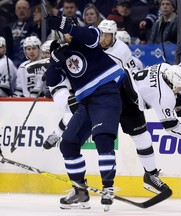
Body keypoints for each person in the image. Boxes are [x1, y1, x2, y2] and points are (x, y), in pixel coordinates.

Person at [45, 13, 126, 210]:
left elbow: (90, 36)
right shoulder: (65, 53)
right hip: (86, 103)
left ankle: (108, 187)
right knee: (68, 144)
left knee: (103, 140)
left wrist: (65, 25)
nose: (67, 35)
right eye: (64, 33)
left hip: (107, 94)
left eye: (69, 30)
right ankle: (80, 191)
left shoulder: (89, 37)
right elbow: (52, 81)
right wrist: (54, 61)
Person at [98, 19, 171, 195]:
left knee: (142, 137)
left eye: (107, 35)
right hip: (102, 100)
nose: (103, 39)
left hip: (124, 98)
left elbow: (134, 78)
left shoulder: (121, 51)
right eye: (101, 34)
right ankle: (103, 185)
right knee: (103, 141)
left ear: (114, 36)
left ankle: (151, 176)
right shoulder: (93, 47)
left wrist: (142, 98)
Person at [127, 63, 181, 150]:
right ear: (172, 85)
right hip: (125, 100)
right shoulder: (164, 97)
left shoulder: (165, 68)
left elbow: (164, 87)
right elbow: (171, 127)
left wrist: (177, 101)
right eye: (180, 87)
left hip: (127, 79)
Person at [10, 0, 33, 67]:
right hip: (11, 57)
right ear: (15, 12)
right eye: (19, 8)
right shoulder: (9, 26)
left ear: (29, 11)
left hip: (26, 58)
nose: (21, 10)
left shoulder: (33, 25)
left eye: (24, 8)